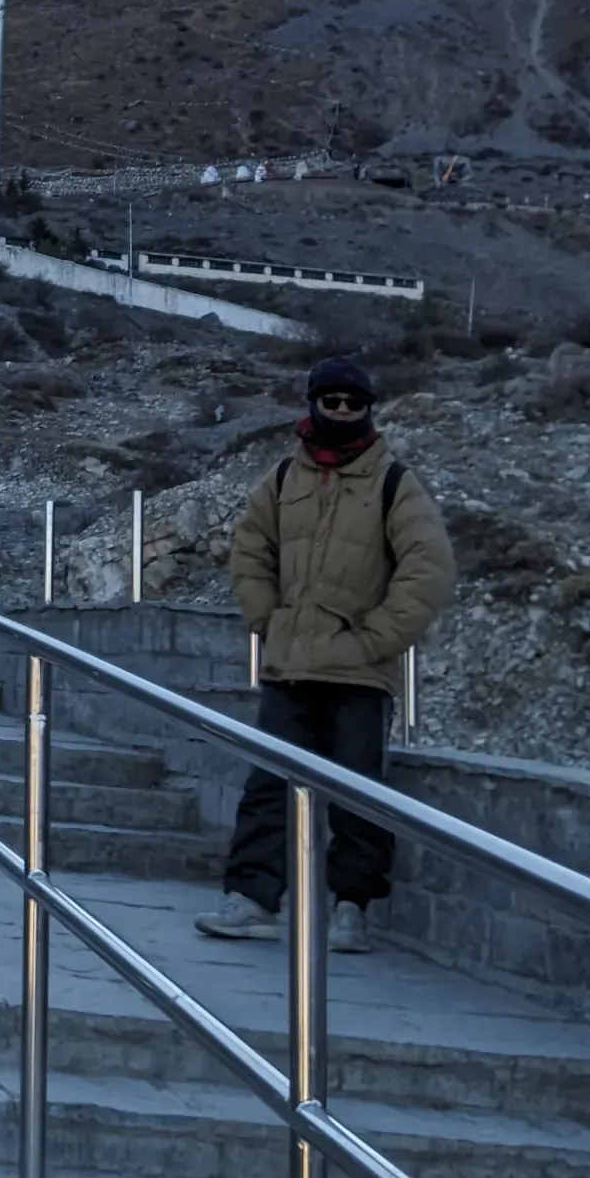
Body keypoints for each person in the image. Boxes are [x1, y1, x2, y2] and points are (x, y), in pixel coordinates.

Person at [196, 354, 455, 957]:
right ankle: (253, 901)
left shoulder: (395, 481)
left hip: (361, 673)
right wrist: (266, 617)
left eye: (353, 403)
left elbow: (430, 568)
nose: (342, 411)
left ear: (368, 410)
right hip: (289, 665)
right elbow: (249, 549)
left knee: (359, 794)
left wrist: (377, 639)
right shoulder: (283, 478)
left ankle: (351, 909)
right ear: (312, 404)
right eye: (331, 401)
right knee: (267, 787)